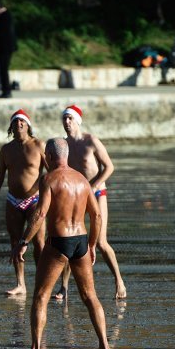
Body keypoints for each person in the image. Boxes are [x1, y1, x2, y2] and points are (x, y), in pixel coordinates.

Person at [12, 138, 111, 349]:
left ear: (48, 155)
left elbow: (39, 214)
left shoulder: (49, 179)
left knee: (41, 296)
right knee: (90, 296)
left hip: (59, 241)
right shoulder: (83, 180)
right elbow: (96, 216)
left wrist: (24, 241)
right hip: (81, 241)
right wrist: (93, 244)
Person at [54, 105, 126, 300]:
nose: (67, 122)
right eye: (64, 119)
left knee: (101, 242)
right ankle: (64, 287)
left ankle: (119, 281)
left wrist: (93, 186)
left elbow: (109, 167)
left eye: (70, 118)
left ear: (78, 120)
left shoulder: (90, 141)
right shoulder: (64, 145)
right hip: (76, 195)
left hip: (96, 192)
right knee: (70, 238)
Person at [0, 109, 47, 296]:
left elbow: (51, 172)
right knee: (14, 242)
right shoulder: (6, 149)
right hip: (13, 200)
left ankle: (42, 281)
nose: (19, 124)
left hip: (35, 200)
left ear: (28, 125)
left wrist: (52, 197)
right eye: (15, 122)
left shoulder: (38, 145)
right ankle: (20, 284)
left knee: (38, 242)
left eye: (22, 121)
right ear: (11, 127)